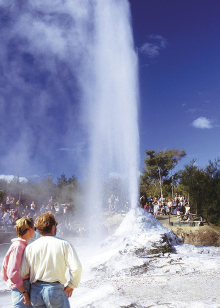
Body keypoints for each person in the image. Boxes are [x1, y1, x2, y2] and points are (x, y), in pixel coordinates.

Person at [20, 211, 82, 308]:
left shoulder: (30, 247)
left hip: (35, 291)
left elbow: (22, 272)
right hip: (55, 290)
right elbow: (77, 268)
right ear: (53, 227)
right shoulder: (64, 244)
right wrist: (72, 285)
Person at [0, 217, 35, 307]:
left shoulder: (19, 245)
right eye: (34, 228)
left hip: (20, 287)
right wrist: (24, 292)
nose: (35, 231)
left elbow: (6, 272)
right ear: (30, 230)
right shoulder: (18, 246)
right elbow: (12, 273)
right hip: (22, 288)